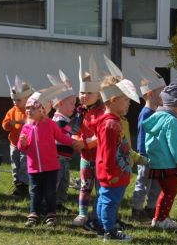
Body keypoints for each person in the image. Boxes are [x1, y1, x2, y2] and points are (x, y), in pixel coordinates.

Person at [17, 86, 82, 228]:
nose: (28, 111)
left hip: (51, 166)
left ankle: (51, 214)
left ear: (42, 111)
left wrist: (73, 142)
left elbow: (61, 137)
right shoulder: (26, 127)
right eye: (27, 108)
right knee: (35, 191)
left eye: (32, 108)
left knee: (50, 191)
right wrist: (22, 143)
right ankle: (34, 213)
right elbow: (21, 148)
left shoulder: (50, 124)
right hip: (33, 168)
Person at [94, 75, 142, 242]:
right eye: (126, 99)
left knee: (104, 198)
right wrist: (112, 171)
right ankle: (109, 231)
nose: (129, 103)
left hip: (113, 170)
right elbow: (108, 152)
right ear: (114, 100)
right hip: (113, 171)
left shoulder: (112, 121)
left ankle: (102, 227)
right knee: (110, 201)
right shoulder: (111, 124)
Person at [144, 84, 177, 229]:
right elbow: (175, 144)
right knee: (170, 191)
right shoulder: (173, 121)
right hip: (169, 163)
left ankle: (162, 217)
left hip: (157, 162)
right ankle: (160, 219)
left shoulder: (156, 116)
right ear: (176, 105)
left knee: (165, 190)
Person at [72, 56, 105, 230]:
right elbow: (75, 131)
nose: (84, 96)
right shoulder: (79, 112)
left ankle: (98, 213)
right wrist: (77, 140)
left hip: (100, 157)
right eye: (82, 92)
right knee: (85, 186)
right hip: (85, 157)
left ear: (98, 94)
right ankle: (82, 213)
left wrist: (86, 143)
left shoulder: (102, 112)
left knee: (100, 188)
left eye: (89, 93)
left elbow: (102, 136)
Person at [132, 67, 165, 221]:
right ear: (151, 94)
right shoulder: (146, 113)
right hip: (146, 156)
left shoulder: (157, 112)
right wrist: (143, 155)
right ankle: (137, 210)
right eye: (162, 92)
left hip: (157, 156)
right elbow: (143, 136)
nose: (164, 95)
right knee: (143, 183)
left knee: (156, 184)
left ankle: (151, 208)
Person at [47, 70, 76, 214]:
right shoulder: (58, 119)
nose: (73, 107)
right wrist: (73, 140)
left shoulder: (65, 119)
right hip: (58, 157)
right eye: (71, 103)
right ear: (60, 103)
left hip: (65, 158)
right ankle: (49, 204)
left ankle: (59, 203)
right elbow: (60, 135)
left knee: (64, 182)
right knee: (57, 181)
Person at [2, 76, 34, 196]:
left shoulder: (30, 110)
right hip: (14, 144)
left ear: (27, 98)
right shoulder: (12, 111)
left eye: (19, 100)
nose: (16, 103)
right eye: (14, 100)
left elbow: (34, 124)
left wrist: (24, 123)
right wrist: (9, 124)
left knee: (24, 164)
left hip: (26, 144)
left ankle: (24, 186)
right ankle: (17, 184)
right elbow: (4, 125)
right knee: (15, 164)